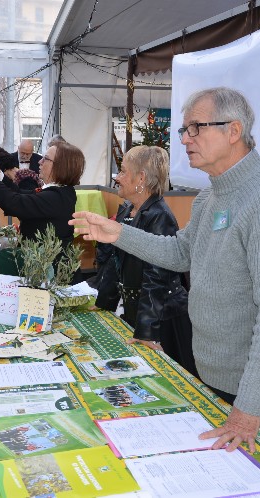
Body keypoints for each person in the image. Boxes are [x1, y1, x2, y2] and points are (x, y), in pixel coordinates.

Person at [71, 87, 260, 452]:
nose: (185, 139)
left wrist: (248, 408)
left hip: (243, 386)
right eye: (184, 130)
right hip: (206, 367)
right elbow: (180, 253)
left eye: (195, 128)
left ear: (233, 130)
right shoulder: (210, 196)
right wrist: (116, 232)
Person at [94, 146, 197, 377]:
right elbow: (114, 263)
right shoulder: (128, 210)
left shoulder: (160, 216)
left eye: (122, 172)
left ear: (140, 178)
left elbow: (156, 278)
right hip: (138, 314)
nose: (117, 178)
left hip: (163, 320)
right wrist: (103, 302)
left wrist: (147, 331)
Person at [0, 139, 84, 245]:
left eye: (46, 159)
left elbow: (16, 203)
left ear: (60, 166)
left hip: (45, 260)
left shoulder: (56, 196)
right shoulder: (59, 191)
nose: (40, 161)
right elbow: (21, 194)